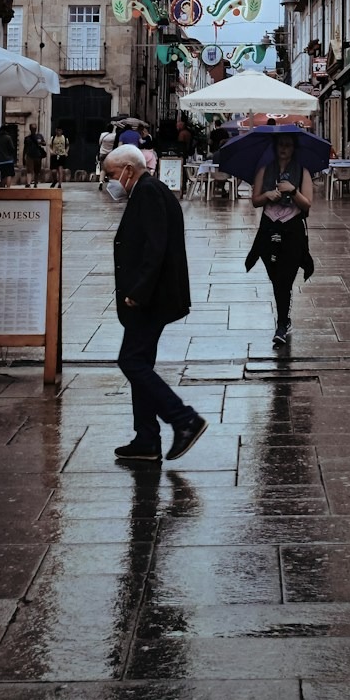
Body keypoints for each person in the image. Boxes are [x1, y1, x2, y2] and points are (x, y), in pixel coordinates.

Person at [104, 145, 206, 463]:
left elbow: (155, 247)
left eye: (110, 175)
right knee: (140, 363)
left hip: (149, 298)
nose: (108, 182)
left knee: (131, 362)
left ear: (128, 170)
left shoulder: (148, 193)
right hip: (151, 296)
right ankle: (146, 438)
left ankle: (183, 418)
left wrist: (139, 291)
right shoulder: (151, 190)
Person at [247, 129, 316, 347]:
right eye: (280, 145)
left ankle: (282, 324)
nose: (284, 148)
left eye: (288, 144)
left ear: (294, 148)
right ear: (275, 148)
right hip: (269, 228)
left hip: (292, 229)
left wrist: (292, 190)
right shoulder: (264, 170)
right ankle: (285, 314)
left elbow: (307, 205)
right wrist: (267, 195)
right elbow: (255, 201)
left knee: (284, 279)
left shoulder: (303, 171)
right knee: (276, 277)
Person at [0, 120, 18, 186]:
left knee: (3, 174)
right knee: (9, 174)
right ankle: (8, 188)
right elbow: (12, 148)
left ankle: (2, 187)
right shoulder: (8, 138)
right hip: (8, 160)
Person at [96, 121, 117, 188]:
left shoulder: (103, 135)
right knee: (111, 169)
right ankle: (110, 183)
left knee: (103, 169)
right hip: (110, 154)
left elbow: (99, 143)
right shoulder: (114, 136)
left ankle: (101, 181)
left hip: (102, 153)